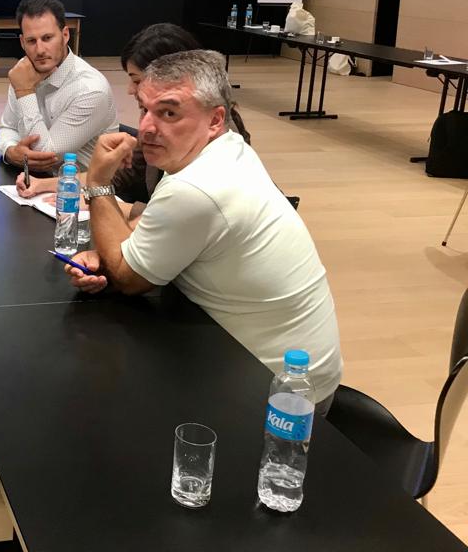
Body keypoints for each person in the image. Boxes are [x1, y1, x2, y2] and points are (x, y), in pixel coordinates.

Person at [64, 50, 342, 408]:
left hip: (279, 396)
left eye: (169, 113)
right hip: (297, 365)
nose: (147, 127)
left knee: (95, 388)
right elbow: (149, 232)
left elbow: (127, 278)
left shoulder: (195, 188)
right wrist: (116, 250)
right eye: (144, 109)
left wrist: (98, 182)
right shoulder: (227, 148)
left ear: (215, 119)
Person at [16, 23, 249, 216]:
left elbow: (181, 217)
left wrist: (102, 202)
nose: (130, 90)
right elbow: (120, 175)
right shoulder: (159, 126)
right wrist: (43, 185)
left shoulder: (216, 143)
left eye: (137, 80)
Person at [0, 0, 118, 172]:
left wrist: (25, 91)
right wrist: (10, 151)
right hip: (34, 179)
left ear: (65, 34)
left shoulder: (91, 89)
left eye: (47, 38)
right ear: (22, 42)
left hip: (78, 186)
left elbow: (46, 155)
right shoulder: (23, 71)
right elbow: (8, 127)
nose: (40, 50)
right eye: (31, 41)